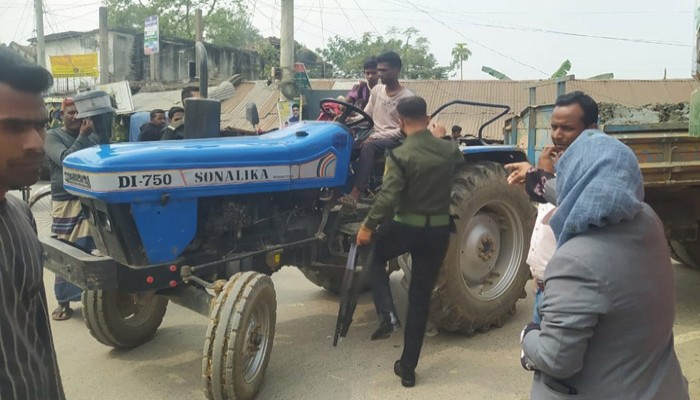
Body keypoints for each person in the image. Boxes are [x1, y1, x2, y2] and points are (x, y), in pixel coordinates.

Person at [520, 130, 689, 399]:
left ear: (575, 180)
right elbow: (584, 192)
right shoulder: (647, 220)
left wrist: (528, 336)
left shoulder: (575, 261)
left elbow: (556, 360)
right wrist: (535, 176)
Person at [356, 96, 464, 388]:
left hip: (406, 228)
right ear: (428, 119)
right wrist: (441, 137)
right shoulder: (447, 150)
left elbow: (388, 197)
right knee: (419, 298)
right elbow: (457, 155)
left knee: (372, 255)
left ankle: (388, 314)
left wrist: (367, 226)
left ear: (400, 122)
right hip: (438, 233)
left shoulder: (400, 155)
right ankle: (407, 369)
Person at [0, 46, 65, 399]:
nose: (35, 143)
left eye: (39, 125)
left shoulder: (21, 215)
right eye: (12, 127)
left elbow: (38, 336)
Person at [505, 91, 598, 324]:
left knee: (552, 355)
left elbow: (571, 200)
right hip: (543, 289)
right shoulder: (559, 166)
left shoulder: (594, 173)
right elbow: (548, 207)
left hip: (568, 294)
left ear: (591, 130)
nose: (557, 135)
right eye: (554, 127)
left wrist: (541, 176)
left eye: (567, 128)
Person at [45, 98, 100, 320]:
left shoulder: (92, 135)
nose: (75, 116)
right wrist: (83, 137)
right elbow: (65, 159)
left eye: (79, 113)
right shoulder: (52, 136)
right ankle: (64, 300)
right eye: (70, 113)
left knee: (90, 248)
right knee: (67, 249)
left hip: (89, 198)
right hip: (66, 200)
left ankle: (90, 298)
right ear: (61, 115)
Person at [340, 51, 414, 209]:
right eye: (378, 70)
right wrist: (348, 121)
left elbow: (403, 130)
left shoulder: (407, 98)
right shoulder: (377, 91)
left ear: (397, 70)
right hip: (375, 135)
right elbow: (366, 115)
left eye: (384, 71)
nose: (380, 74)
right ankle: (336, 190)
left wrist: (377, 136)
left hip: (397, 139)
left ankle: (356, 192)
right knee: (346, 147)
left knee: (368, 146)